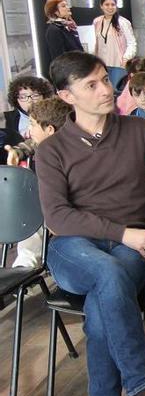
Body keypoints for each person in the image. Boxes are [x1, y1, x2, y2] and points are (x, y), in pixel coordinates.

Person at [37, 51, 145, 396]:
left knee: (99, 312)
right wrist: (123, 233)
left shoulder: (137, 130)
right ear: (66, 96)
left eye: (105, 80)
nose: (105, 90)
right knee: (107, 276)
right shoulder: (52, 150)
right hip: (73, 247)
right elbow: (57, 217)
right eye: (90, 85)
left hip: (129, 247)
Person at [4, 96, 71, 268]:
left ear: (49, 130)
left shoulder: (66, 155)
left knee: (31, 209)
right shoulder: (47, 144)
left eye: (32, 124)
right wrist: (18, 153)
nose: (28, 129)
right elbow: (32, 143)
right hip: (48, 208)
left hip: (65, 211)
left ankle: (24, 266)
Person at [92, 0, 137, 91]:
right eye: (107, 4)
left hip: (119, 65)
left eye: (113, 4)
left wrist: (126, 58)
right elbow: (95, 43)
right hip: (102, 65)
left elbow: (132, 43)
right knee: (105, 91)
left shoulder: (123, 22)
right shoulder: (97, 22)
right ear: (101, 6)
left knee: (118, 91)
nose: (110, 7)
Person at [2, 76, 55, 148]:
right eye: (23, 97)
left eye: (35, 95)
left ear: (44, 96)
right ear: (16, 99)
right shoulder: (5, 119)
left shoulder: (54, 116)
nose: (30, 100)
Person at [44, 0, 84, 64]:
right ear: (55, 12)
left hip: (78, 67)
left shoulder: (68, 26)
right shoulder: (54, 30)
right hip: (68, 70)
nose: (68, 8)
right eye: (63, 6)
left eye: (67, 5)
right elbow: (59, 57)